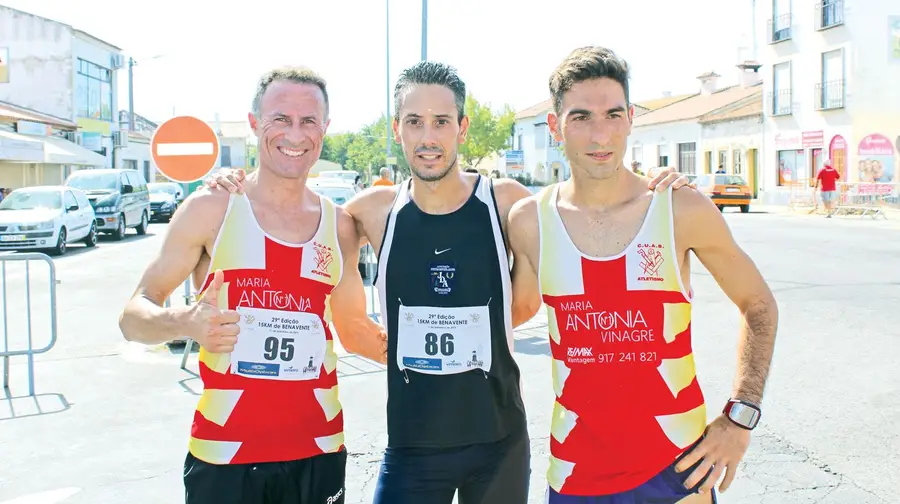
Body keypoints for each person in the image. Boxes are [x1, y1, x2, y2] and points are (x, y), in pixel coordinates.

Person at [207, 61, 692, 504]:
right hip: (412, 445)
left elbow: (581, 219)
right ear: (397, 130)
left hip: (498, 442)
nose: (428, 137)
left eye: (442, 122)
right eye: (414, 122)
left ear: (461, 127)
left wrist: (656, 184)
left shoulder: (508, 203)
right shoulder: (369, 214)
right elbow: (306, 240)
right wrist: (236, 182)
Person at [507, 46, 779, 504]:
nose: (600, 134)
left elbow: (759, 305)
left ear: (631, 118)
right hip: (574, 473)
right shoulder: (529, 221)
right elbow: (510, 314)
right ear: (555, 127)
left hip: (677, 471)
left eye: (613, 114)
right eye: (580, 118)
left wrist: (740, 416)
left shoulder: (679, 208)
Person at [118, 67, 387, 504]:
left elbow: (355, 330)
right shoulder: (212, 209)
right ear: (254, 123)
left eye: (308, 121)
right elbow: (133, 316)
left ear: (325, 129)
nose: (294, 134)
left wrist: (437, 363)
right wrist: (184, 321)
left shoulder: (338, 226)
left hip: (319, 450)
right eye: (280, 119)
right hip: (225, 457)